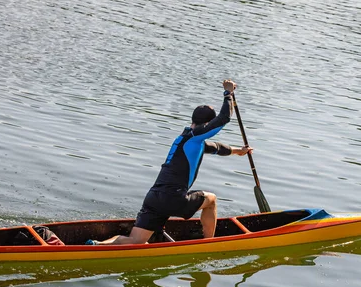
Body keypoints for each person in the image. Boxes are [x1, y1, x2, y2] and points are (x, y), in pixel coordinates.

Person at [90, 79, 252, 245]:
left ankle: (97, 245)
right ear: (206, 124)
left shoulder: (186, 140)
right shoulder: (196, 138)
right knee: (211, 200)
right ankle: (207, 244)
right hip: (173, 197)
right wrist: (228, 93)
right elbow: (224, 118)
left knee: (135, 240)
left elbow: (217, 147)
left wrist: (239, 151)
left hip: (154, 197)